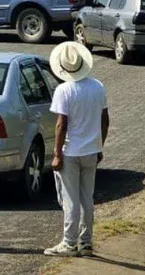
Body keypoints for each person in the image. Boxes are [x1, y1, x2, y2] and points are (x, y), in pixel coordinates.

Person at [44, 41, 109, 258]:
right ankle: (86, 242)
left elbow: (61, 123)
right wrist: (100, 145)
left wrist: (56, 153)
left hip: (71, 151)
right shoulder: (98, 86)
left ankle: (69, 243)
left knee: (70, 199)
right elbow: (105, 120)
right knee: (87, 198)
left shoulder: (64, 89)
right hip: (91, 150)